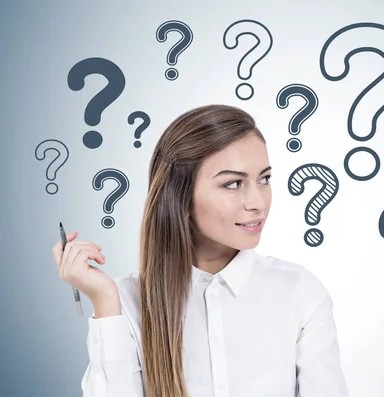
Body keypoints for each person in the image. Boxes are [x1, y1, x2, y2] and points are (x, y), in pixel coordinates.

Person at [51, 104, 350, 397]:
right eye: (233, 184)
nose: (257, 201)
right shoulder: (125, 301)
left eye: (265, 179)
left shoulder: (299, 292)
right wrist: (104, 303)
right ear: (178, 195)